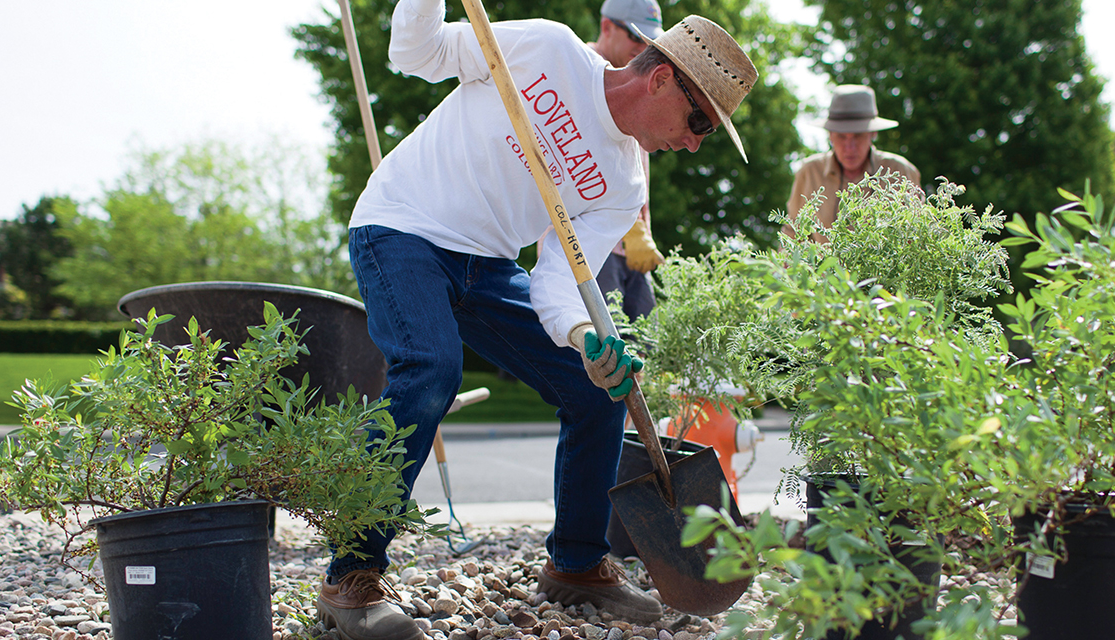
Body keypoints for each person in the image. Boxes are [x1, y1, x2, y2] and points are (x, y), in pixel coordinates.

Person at [315, 0, 758, 638]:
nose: (693, 141)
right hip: (402, 227)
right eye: (701, 121)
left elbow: (558, 283)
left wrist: (587, 341)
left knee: (599, 389)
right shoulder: (546, 52)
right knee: (430, 368)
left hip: (486, 265)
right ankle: (349, 577)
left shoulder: (624, 182)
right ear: (661, 79)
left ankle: (576, 563)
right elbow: (417, 54)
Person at [537, 0, 667, 323]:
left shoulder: (640, 85)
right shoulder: (575, 70)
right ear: (607, 26)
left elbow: (639, 170)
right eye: (637, 38)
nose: (644, 49)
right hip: (587, 246)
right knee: (597, 354)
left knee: (650, 349)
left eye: (651, 43)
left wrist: (643, 230)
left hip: (631, 247)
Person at [784, 84, 921, 242]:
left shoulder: (900, 171)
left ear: (873, 133)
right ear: (830, 135)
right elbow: (793, 234)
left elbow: (916, 235)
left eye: (858, 136)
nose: (850, 147)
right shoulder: (809, 172)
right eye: (842, 136)